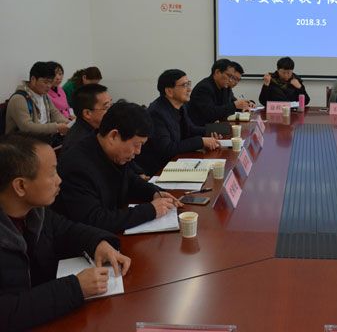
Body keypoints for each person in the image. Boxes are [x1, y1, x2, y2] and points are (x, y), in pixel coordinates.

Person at [0, 133, 131, 331]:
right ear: (20, 186)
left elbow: (65, 229)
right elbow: (7, 312)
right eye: (52, 173)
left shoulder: (35, 210)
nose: (59, 180)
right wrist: (75, 288)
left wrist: (98, 243)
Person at [54, 102, 182, 233]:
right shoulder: (77, 166)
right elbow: (94, 219)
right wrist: (150, 210)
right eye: (136, 144)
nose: (138, 151)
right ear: (113, 136)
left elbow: (130, 179)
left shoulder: (112, 152)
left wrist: (153, 192)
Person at [136, 69, 221, 176]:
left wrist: (215, 130)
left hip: (176, 162)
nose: (189, 89)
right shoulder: (156, 113)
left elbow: (190, 129)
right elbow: (166, 149)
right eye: (184, 85)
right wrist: (201, 141)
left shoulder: (180, 106)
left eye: (189, 84)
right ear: (169, 91)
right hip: (159, 170)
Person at [5, 62, 70, 140]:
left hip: (43, 138)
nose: (49, 86)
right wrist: (56, 127)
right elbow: (27, 127)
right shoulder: (19, 98)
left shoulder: (44, 96)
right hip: (21, 142)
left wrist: (68, 123)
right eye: (45, 82)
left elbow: (55, 113)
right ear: (33, 79)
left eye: (50, 82)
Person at [187, 59, 251, 126]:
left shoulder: (225, 87)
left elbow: (229, 104)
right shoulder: (204, 88)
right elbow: (211, 113)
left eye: (232, 77)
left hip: (216, 124)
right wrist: (235, 105)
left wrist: (242, 106)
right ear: (217, 72)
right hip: (202, 127)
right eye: (229, 76)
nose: (230, 80)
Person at [62, 84, 112, 153]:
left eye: (111, 105)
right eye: (106, 107)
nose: (111, 111)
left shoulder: (97, 128)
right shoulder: (80, 144)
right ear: (87, 113)